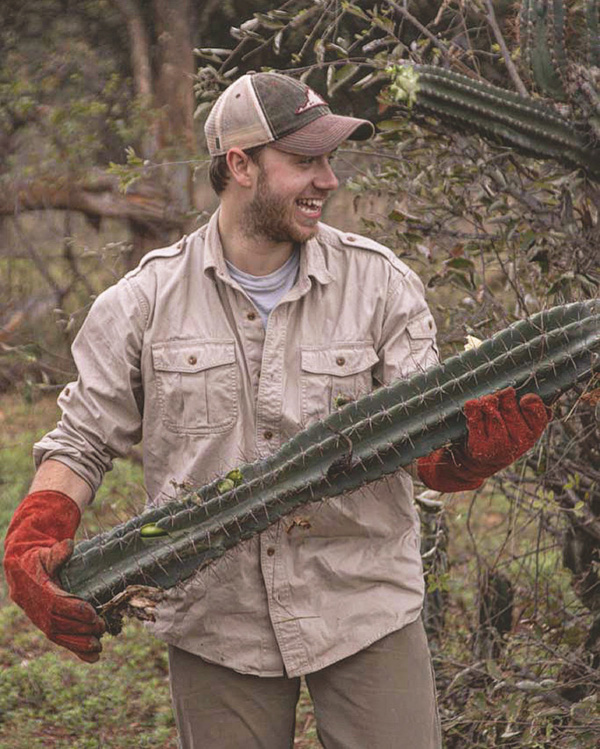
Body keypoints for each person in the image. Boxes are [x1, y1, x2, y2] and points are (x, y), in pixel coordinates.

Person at [3, 72, 550, 748]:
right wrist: (33, 534)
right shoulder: (140, 303)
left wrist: (471, 453)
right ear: (240, 165)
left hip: (362, 601)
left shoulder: (381, 285)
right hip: (216, 615)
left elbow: (428, 437)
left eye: (330, 159)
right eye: (305, 160)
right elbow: (81, 441)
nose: (329, 179)